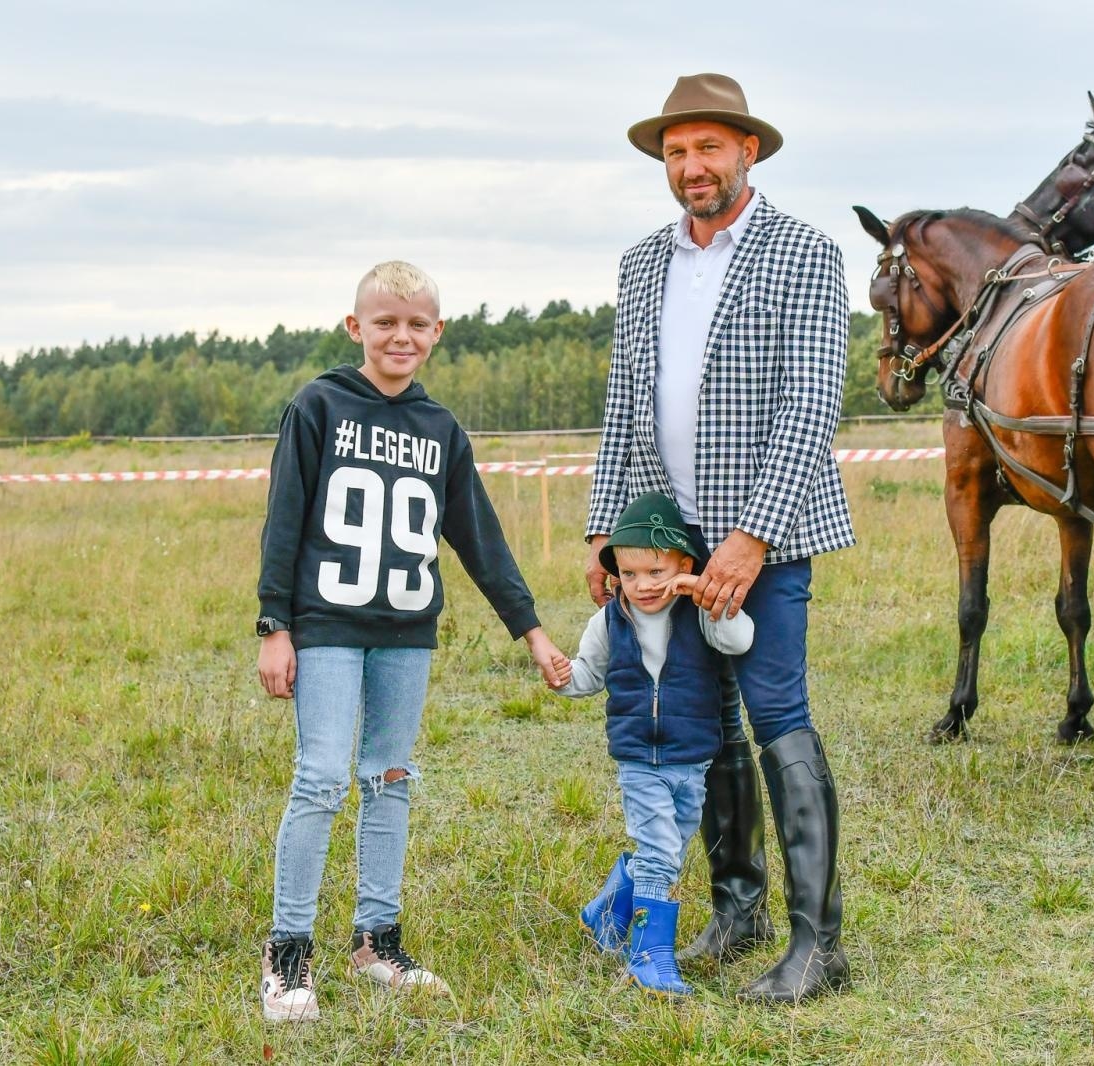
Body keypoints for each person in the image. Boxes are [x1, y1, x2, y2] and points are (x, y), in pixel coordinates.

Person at [584, 73, 855, 1003]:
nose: (691, 167)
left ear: (748, 151)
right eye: (675, 152)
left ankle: (818, 946)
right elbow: (625, 404)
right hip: (666, 539)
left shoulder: (804, 253)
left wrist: (753, 537)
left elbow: (812, 401)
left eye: (708, 148)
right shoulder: (640, 263)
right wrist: (606, 530)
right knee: (702, 727)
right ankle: (736, 909)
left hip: (761, 536)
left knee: (777, 715)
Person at [254, 260, 564, 1022]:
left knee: (391, 777)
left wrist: (530, 630)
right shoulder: (319, 404)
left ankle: (377, 941)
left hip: (406, 631)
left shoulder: (440, 428)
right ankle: (288, 954)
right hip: (327, 623)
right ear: (355, 327)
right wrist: (274, 625)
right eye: (385, 322)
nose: (401, 336)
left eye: (416, 323)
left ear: (437, 333)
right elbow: (284, 520)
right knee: (322, 777)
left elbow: (479, 539)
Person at [546, 492, 754, 997]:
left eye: (657, 572)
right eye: (630, 574)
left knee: (672, 846)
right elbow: (589, 674)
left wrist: (702, 592)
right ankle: (649, 954)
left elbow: (741, 638)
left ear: (684, 565)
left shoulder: (700, 615)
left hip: (693, 756)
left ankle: (605, 912)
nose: (642, 586)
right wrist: (563, 677)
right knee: (659, 849)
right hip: (639, 756)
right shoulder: (609, 621)